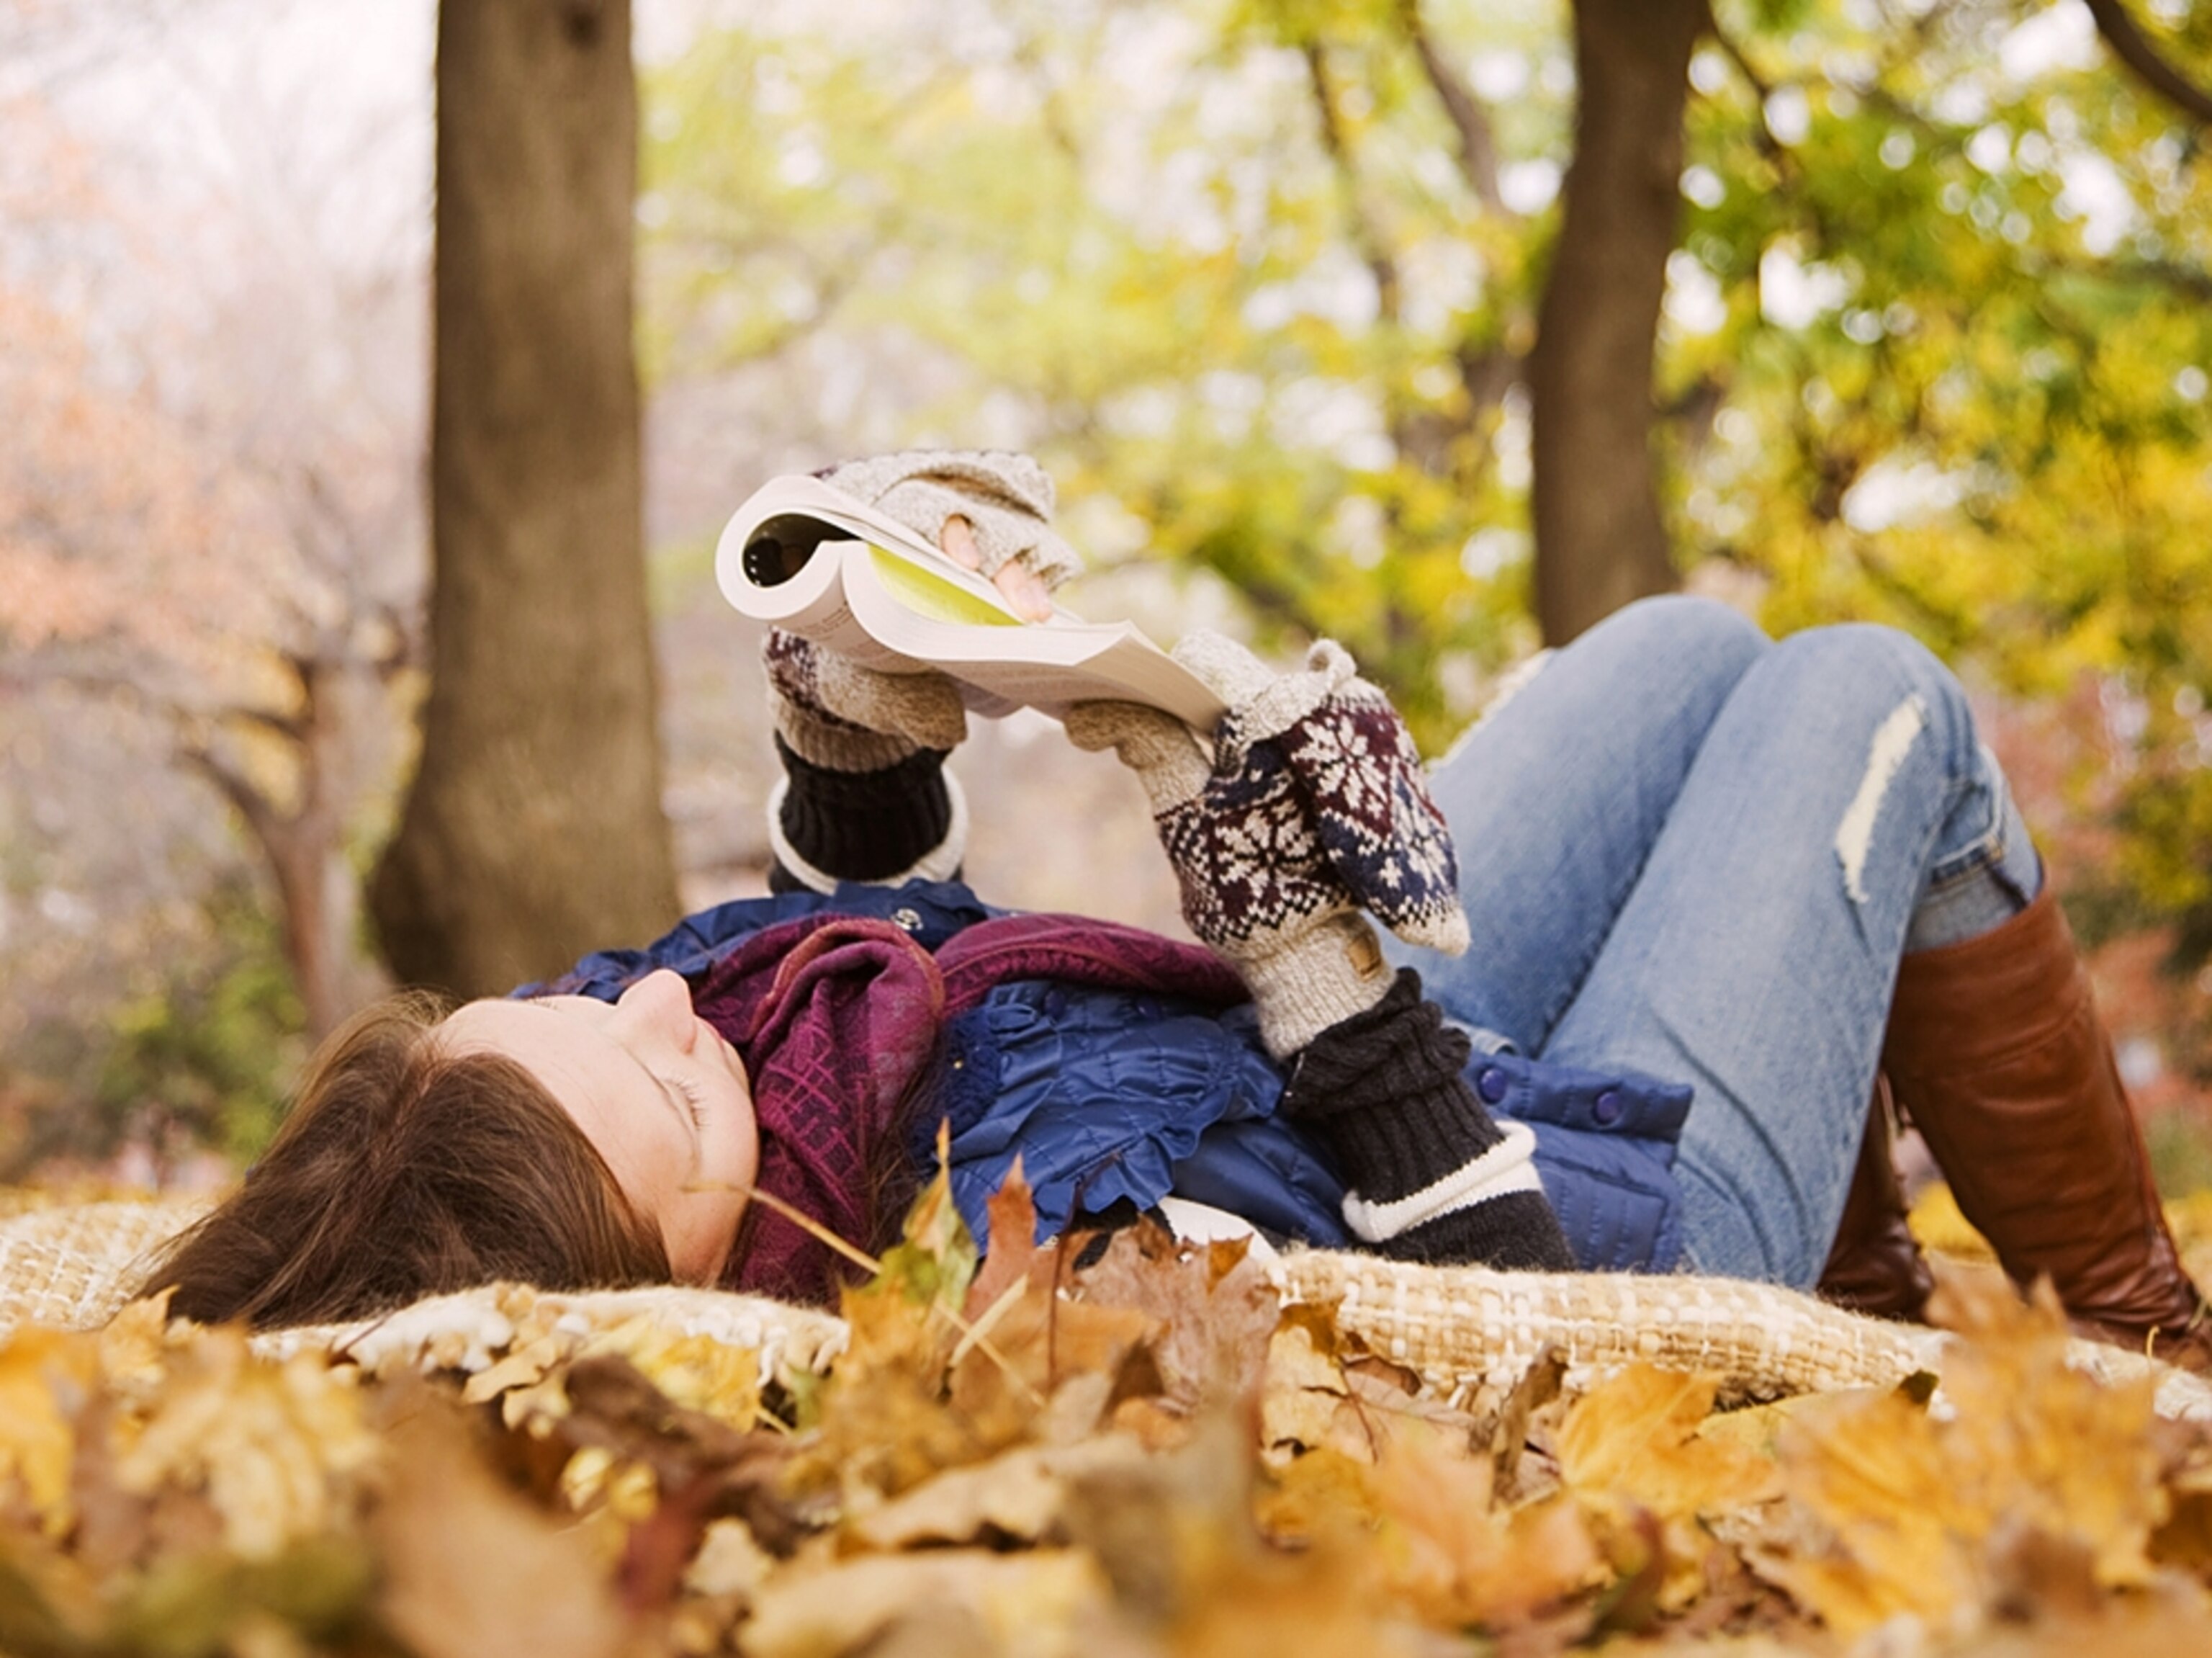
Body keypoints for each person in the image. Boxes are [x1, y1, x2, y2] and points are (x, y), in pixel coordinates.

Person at [150, 452, 2211, 1373]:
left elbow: (857, 953)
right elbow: (1485, 1326)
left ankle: (1886, 1225)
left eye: (579, 1009)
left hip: (1403, 1070)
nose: (667, 1021)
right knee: (1871, 696)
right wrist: (1278, 918)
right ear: (696, 1289)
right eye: (662, 1103)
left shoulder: (640, 1062)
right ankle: (2099, 1329)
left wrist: (849, 712)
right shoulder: (1028, 1253)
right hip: (1560, 1216)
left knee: (1677, 648)